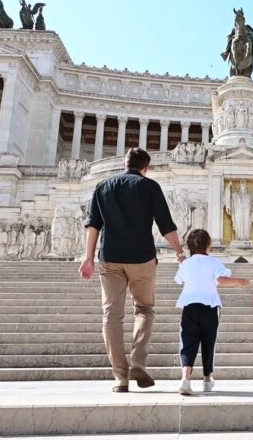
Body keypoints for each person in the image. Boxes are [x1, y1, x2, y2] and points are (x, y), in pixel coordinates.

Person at [79, 147, 185, 393]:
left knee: (111, 316)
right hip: (142, 258)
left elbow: (93, 226)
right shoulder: (150, 186)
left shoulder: (103, 186)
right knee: (145, 309)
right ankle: (138, 361)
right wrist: (179, 252)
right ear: (145, 168)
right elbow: (165, 225)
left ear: (124, 164)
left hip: (110, 258)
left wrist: (88, 258)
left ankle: (120, 377)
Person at [174, 229, 251, 395]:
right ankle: (207, 379)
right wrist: (239, 282)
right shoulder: (214, 262)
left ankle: (185, 378)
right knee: (209, 342)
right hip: (210, 307)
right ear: (209, 245)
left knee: (188, 342)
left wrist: (182, 262)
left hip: (189, 307)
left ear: (189, 246)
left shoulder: (186, 264)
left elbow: (180, 279)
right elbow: (221, 280)